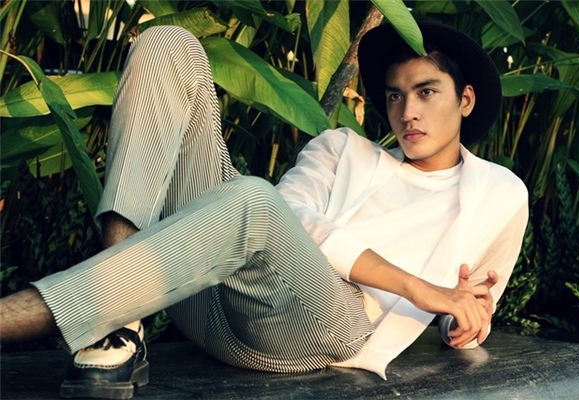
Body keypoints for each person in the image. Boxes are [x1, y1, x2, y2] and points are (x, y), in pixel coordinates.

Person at [0, 19, 528, 399]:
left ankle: (51, 316)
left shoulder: (499, 193)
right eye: (395, 96)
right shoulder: (342, 148)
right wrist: (417, 286)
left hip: (324, 329)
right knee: (166, 44)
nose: (407, 111)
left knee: (253, 201)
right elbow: (290, 215)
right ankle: (119, 325)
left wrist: (459, 322)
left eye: (426, 92)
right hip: (220, 297)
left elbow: (469, 303)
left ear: (465, 99)